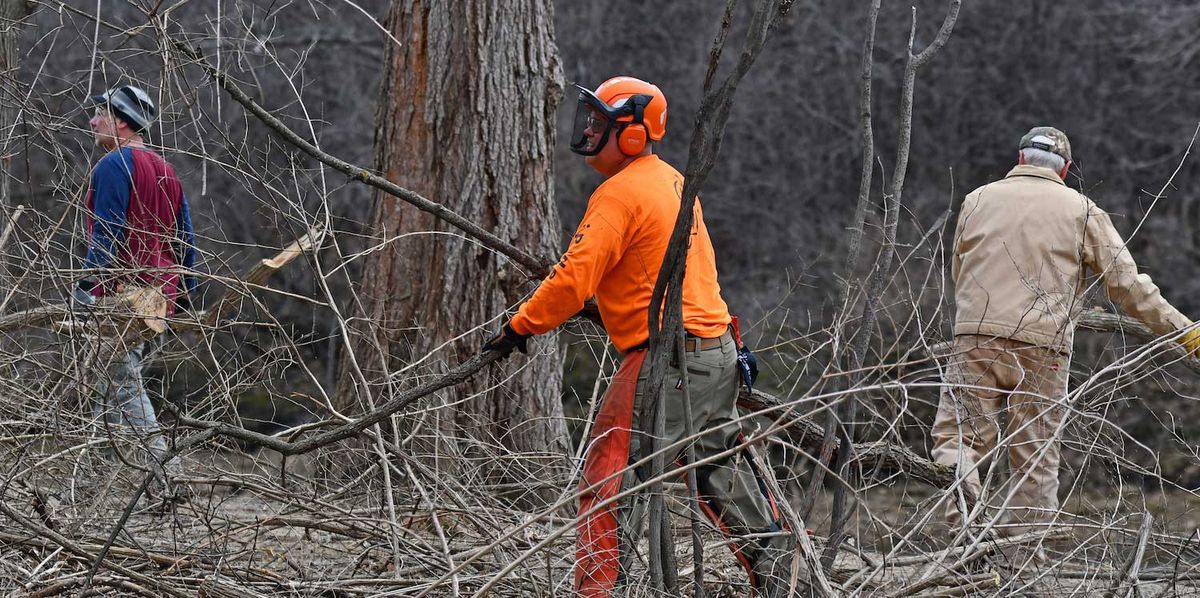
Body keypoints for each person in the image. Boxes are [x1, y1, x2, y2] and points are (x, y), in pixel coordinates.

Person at [482, 76, 803, 597]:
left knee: (608, 480)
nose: (588, 131)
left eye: (600, 124)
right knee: (719, 476)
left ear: (632, 135)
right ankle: (791, 581)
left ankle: (598, 593)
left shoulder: (619, 193)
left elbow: (571, 279)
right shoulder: (675, 182)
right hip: (715, 350)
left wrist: (519, 326)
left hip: (666, 363)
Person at [934, 126, 1200, 540]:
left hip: (975, 337)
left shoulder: (977, 200)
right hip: (1044, 347)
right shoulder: (1082, 210)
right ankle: (1023, 563)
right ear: (1066, 169)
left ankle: (965, 543)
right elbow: (1128, 286)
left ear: (1020, 159)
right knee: (1035, 458)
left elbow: (959, 271)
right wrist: (1183, 331)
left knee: (958, 443)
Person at [75, 83, 197, 489]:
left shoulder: (113, 165)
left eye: (101, 113)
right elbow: (185, 237)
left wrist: (87, 287)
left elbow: (106, 234)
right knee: (107, 378)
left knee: (122, 380)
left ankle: (168, 479)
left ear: (122, 122)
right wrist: (186, 288)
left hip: (122, 290)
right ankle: (91, 480)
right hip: (158, 291)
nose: (92, 120)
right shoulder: (165, 168)